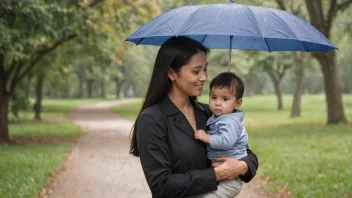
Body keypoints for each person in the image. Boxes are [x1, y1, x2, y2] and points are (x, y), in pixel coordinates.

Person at [129, 36, 258, 198]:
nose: (204, 77)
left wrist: (242, 167)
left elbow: (246, 153)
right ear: (172, 73)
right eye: (196, 71)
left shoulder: (209, 112)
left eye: (205, 69)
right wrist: (218, 174)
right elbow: (161, 186)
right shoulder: (152, 119)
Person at [194, 72, 249, 198]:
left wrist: (206, 137)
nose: (218, 103)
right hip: (219, 175)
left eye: (225, 99)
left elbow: (226, 142)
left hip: (229, 181)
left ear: (237, 103)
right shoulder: (220, 116)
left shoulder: (229, 121)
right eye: (214, 98)